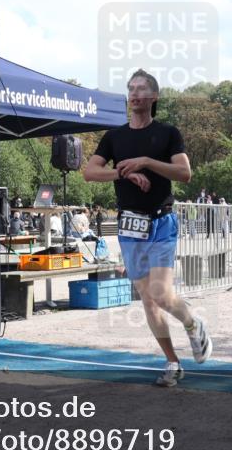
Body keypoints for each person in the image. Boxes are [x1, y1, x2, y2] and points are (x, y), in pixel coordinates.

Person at [83, 69, 211, 387]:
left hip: (161, 221)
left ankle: (193, 323)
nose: (135, 93)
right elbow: (89, 172)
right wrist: (123, 173)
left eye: (141, 89)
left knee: (161, 293)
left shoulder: (167, 133)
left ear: (154, 97)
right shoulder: (115, 137)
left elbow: (184, 173)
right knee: (147, 297)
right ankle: (172, 362)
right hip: (129, 225)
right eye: (131, 88)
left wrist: (146, 162)